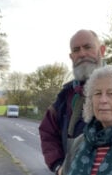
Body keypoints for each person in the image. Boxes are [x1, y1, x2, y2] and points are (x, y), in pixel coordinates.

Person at [38, 29, 106, 174]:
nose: (82, 54)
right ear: (71, 56)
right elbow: (47, 132)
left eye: (88, 47)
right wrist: (58, 166)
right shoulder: (65, 96)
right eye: (76, 50)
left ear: (102, 50)